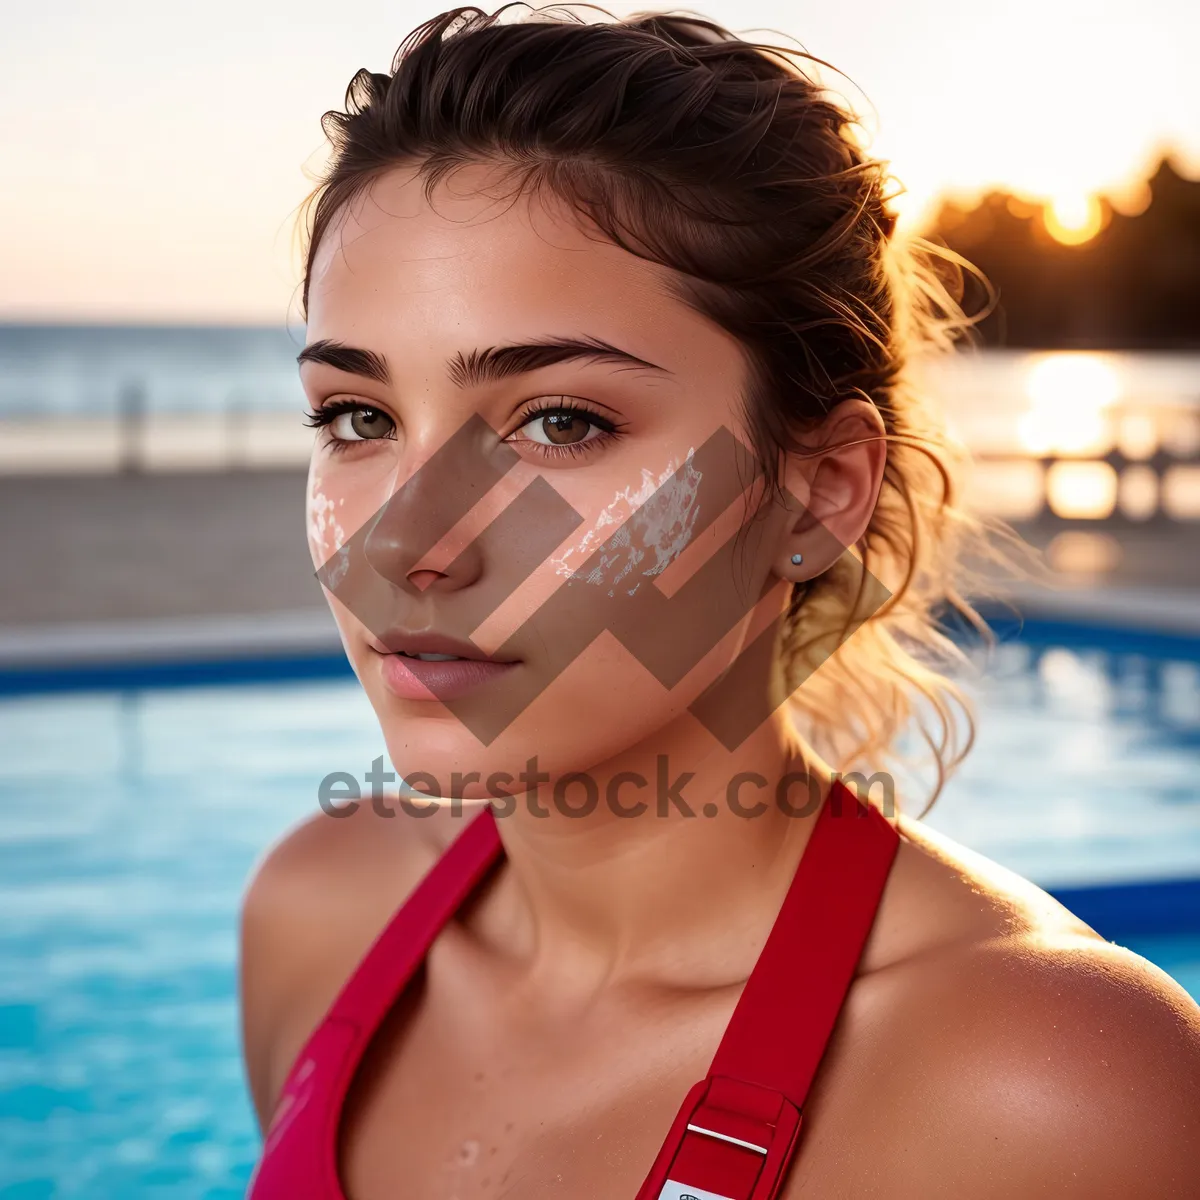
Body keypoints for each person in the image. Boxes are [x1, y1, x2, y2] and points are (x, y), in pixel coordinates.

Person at [238, 6, 1200, 1197]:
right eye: (359, 419)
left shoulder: (1045, 1087)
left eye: (560, 423)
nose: (406, 545)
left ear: (817, 493)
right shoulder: (315, 921)